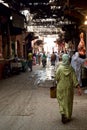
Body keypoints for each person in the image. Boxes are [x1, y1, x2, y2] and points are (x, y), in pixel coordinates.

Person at [55, 54, 82, 124]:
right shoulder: (71, 68)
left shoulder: (60, 68)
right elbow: (75, 80)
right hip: (69, 89)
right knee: (69, 102)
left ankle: (63, 112)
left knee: (61, 100)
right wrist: (79, 88)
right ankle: (68, 116)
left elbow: (56, 78)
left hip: (60, 88)